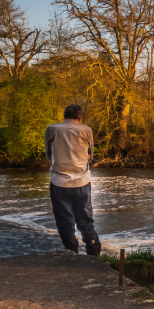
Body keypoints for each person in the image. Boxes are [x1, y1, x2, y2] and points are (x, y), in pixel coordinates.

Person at [45, 104, 101, 256]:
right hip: (82, 181)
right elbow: (91, 155)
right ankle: (94, 257)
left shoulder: (52, 129)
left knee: (65, 222)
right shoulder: (86, 130)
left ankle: (72, 255)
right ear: (80, 117)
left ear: (63, 115)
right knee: (86, 221)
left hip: (59, 182)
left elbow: (49, 155)